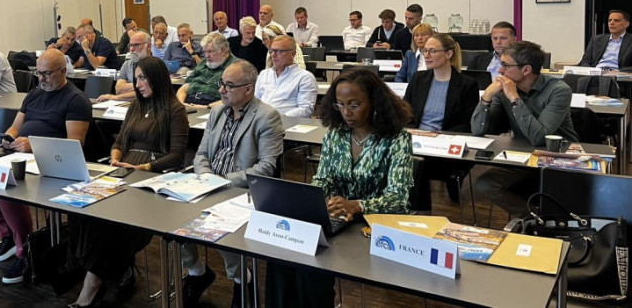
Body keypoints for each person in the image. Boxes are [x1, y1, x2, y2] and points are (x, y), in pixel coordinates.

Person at [265, 68, 413, 307]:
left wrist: (357, 205)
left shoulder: (397, 139)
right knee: (282, 252)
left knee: (312, 263)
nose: (346, 112)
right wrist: (313, 200)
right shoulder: (336, 134)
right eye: (340, 105)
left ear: (375, 102)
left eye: (354, 105)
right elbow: (324, 179)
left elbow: (398, 198)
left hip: (374, 225)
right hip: (338, 217)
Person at [69, 57, 189, 307]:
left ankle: (91, 288)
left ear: (157, 78)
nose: (138, 84)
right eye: (136, 79)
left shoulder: (174, 110)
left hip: (152, 177)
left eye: (143, 78)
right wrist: (115, 156)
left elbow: (177, 155)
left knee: (109, 222)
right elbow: (119, 141)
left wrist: (142, 167)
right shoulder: (136, 105)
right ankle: (113, 269)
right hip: (122, 171)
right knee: (82, 210)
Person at [181, 59, 285, 307]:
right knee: (174, 221)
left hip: (240, 191)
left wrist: (221, 182)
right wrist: (206, 177)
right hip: (206, 184)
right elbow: (201, 153)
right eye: (222, 83)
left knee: (219, 230)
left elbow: (266, 168)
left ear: (248, 89)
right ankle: (196, 271)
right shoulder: (217, 111)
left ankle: (242, 280)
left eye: (229, 85)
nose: (221, 90)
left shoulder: (267, 116)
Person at [0, 49, 92, 285]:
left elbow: (74, 144)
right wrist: (9, 138)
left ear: (63, 71)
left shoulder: (76, 100)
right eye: (38, 73)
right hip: (21, 156)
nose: (41, 78)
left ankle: (25, 250)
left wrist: (33, 145)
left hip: (53, 164)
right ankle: (10, 236)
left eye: (47, 74)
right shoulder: (34, 93)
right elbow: (15, 126)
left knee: (6, 189)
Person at [471, 41, 578, 216]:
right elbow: (478, 131)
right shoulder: (504, 91)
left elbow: (539, 137)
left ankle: (544, 220)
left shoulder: (559, 90)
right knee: (486, 184)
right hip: (523, 155)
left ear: (526, 70)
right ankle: (534, 218)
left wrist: (514, 98)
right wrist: (487, 97)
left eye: (505, 65)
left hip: (558, 159)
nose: (500, 70)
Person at [403, 34, 479, 204]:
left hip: (444, 143)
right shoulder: (418, 78)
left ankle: (420, 209)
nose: (427, 55)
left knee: (418, 166)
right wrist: (414, 131)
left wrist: (439, 136)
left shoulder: (467, 84)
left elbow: (467, 124)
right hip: (417, 139)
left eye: (432, 51)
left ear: (448, 54)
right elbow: (405, 112)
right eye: (424, 51)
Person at [255, 35, 317, 117]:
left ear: (292, 54)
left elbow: (305, 109)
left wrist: (278, 118)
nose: (273, 55)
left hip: (285, 122)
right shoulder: (264, 74)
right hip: (260, 120)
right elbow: (254, 102)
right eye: (271, 51)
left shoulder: (305, 78)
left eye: (279, 51)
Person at [176, 32, 236, 107]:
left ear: (223, 50)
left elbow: (234, 98)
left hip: (213, 106)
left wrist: (207, 107)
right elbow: (185, 87)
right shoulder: (204, 63)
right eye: (205, 52)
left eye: (210, 51)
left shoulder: (236, 67)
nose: (207, 56)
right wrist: (181, 104)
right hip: (189, 102)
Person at [97, 31, 151, 102]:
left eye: (136, 45)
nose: (132, 49)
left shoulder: (155, 64)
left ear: (148, 46)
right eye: (130, 45)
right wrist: (141, 86)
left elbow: (147, 92)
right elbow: (118, 89)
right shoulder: (127, 64)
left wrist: (115, 97)